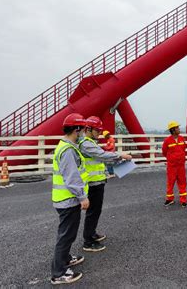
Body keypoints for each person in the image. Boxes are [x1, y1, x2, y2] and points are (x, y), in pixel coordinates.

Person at [79, 116, 132, 252]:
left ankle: (92, 233)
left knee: (96, 210)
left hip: (98, 182)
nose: (99, 133)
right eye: (97, 130)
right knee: (92, 212)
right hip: (92, 183)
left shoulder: (91, 141)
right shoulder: (86, 143)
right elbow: (101, 155)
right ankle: (88, 241)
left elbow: (100, 158)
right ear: (88, 129)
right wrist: (120, 156)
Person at [51, 113, 88, 285]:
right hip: (68, 200)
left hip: (66, 199)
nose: (83, 133)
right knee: (65, 236)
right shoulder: (68, 151)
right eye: (82, 129)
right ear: (77, 129)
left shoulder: (65, 146)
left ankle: (65, 258)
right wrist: (82, 197)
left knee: (68, 234)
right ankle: (58, 273)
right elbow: (72, 178)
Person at [162, 121, 187, 207]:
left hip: (181, 165)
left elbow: (184, 149)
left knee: (182, 182)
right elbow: (164, 152)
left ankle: (183, 200)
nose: (179, 129)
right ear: (173, 130)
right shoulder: (167, 141)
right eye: (177, 128)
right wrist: (172, 159)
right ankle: (169, 199)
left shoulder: (182, 139)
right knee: (170, 182)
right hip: (172, 166)